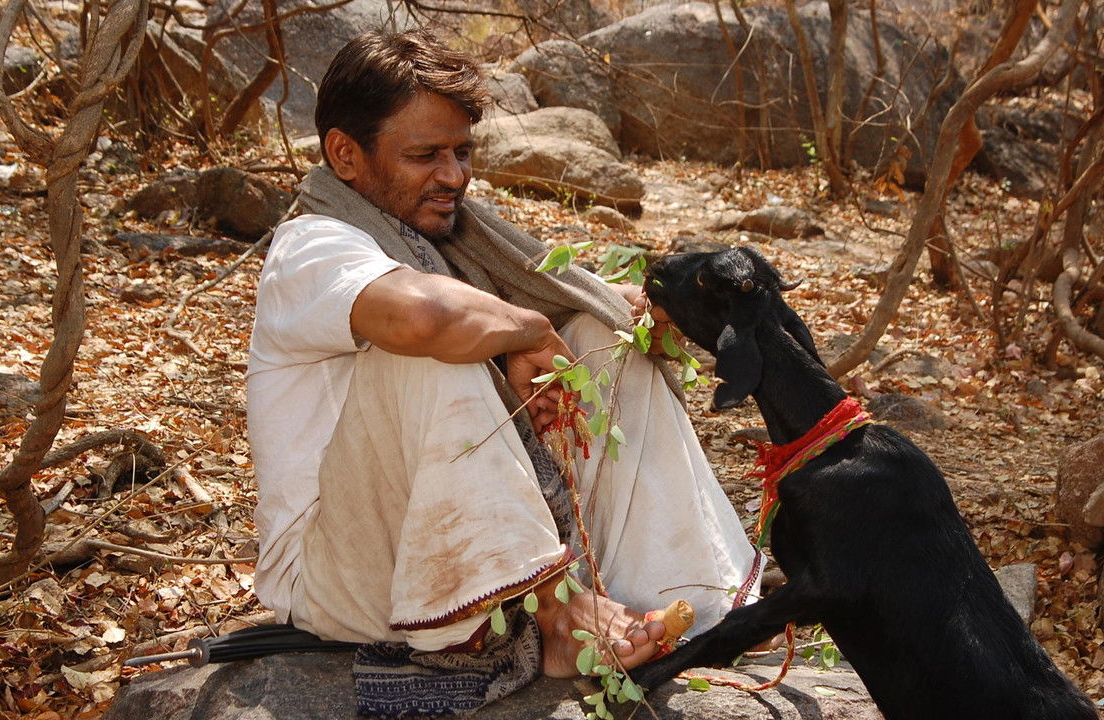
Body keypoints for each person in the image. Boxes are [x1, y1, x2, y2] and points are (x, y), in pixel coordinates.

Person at [245, 28, 762, 695]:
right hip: (337, 575)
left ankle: (683, 599)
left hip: (441, 540)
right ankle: (559, 619)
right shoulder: (310, 247)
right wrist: (526, 331)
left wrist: (644, 313)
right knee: (437, 346)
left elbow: (572, 314)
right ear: (345, 154)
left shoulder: (455, 236)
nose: (454, 176)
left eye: (462, 152)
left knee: (599, 332)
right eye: (425, 155)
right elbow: (427, 317)